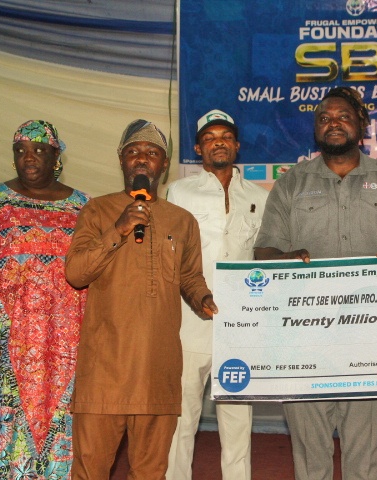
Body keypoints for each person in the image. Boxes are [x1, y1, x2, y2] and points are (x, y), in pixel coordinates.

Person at [254, 87, 377, 480]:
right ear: (315, 129)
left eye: (343, 116)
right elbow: (263, 252)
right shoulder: (291, 183)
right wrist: (287, 259)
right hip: (303, 337)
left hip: (370, 336)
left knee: (362, 452)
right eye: (324, 118)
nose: (332, 123)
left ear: (362, 125)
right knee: (309, 452)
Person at [65, 119, 217, 479]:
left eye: (152, 152)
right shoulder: (97, 211)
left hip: (157, 370)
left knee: (150, 472)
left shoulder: (182, 221)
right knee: (90, 471)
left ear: (163, 164)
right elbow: (76, 273)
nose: (142, 158)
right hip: (105, 371)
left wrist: (203, 297)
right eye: (133, 151)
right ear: (121, 160)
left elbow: (190, 276)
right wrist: (118, 229)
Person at [0, 120, 89, 479]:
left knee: (65, 433)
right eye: (21, 150)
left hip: (66, 347)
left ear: (56, 156)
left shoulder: (83, 206)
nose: (28, 157)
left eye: (38, 150)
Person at [166, 109, 267, 480]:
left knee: (238, 419)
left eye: (225, 136)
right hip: (189, 321)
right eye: (209, 138)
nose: (218, 143)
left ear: (237, 145)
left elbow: (264, 258)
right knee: (181, 416)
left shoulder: (259, 196)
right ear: (198, 149)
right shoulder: (179, 192)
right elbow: (169, 255)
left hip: (239, 326)